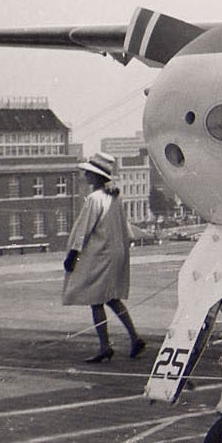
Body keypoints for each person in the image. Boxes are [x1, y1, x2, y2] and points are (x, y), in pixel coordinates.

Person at [63, 152, 145, 363]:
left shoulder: (94, 199)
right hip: (114, 252)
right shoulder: (114, 197)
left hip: (100, 254)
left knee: (96, 300)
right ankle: (134, 338)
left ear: (96, 176)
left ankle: (105, 346)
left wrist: (73, 253)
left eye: (88, 173)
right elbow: (124, 228)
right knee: (111, 298)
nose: (85, 176)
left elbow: (84, 229)